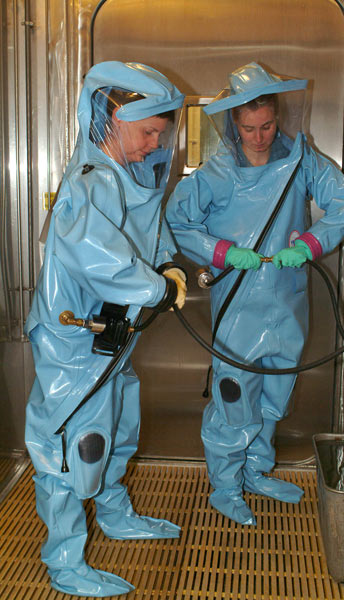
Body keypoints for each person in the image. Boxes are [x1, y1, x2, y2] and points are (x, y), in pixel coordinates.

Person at [166, 62, 344, 526]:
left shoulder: (301, 162)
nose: (259, 137)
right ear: (234, 123)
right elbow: (177, 221)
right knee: (234, 398)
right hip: (239, 309)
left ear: (278, 117)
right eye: (249, 128)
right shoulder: (217, 173)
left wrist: (310, 244)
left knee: (275, 393)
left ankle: (256, 472)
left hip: (287, 303)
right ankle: (225, 487)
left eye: (267, 125)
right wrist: (222, 252)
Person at [24, 61, 187, 597]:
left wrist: (169, 265)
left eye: (160, 136)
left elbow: (147, 234)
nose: (153, 146)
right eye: (148, 133)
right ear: (115, 119)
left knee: (118, 429)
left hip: (111, 340)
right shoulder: (89, 183)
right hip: (74, 345)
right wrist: (157, 288)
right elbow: (103, 259)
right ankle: (65, 562)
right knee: (72, 447)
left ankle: (116, 516)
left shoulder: (126, 180)